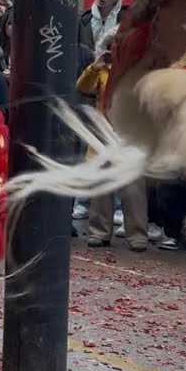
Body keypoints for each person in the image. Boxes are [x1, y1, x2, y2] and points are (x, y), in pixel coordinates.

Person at [75, 46, 149, 252]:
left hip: (131, 133)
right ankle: (99, 232)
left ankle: (137, 235)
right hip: (104, 132)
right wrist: (94, 67)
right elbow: (82, 87)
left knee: (133, 187)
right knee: (102, 184)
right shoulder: (101, 70)